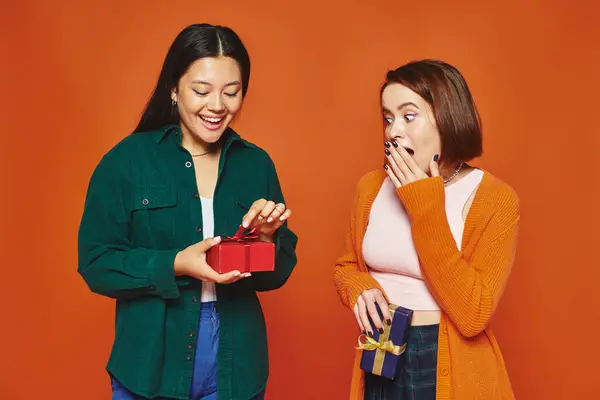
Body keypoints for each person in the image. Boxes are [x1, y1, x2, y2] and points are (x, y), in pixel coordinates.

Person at [77, 23, 298, 400]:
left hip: (236, 362)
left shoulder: (255, 165)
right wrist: (176, 263)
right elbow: (96, 264)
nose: (217, 106)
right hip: (151, 360)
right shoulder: (127, 161)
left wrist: (265, 241)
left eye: (232, 92)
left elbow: (275, 276)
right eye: (201, 90)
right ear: (174, 89)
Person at [333, 59, 519, 399]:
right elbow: (346, 267)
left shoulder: (495, 199)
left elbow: (472, 314)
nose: (393, 131)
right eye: (387, 118)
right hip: (383, 350)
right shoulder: (371, 187)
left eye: (408, 115)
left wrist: (425, 207)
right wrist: (359, 287)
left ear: (447, 117)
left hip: (446, 361)